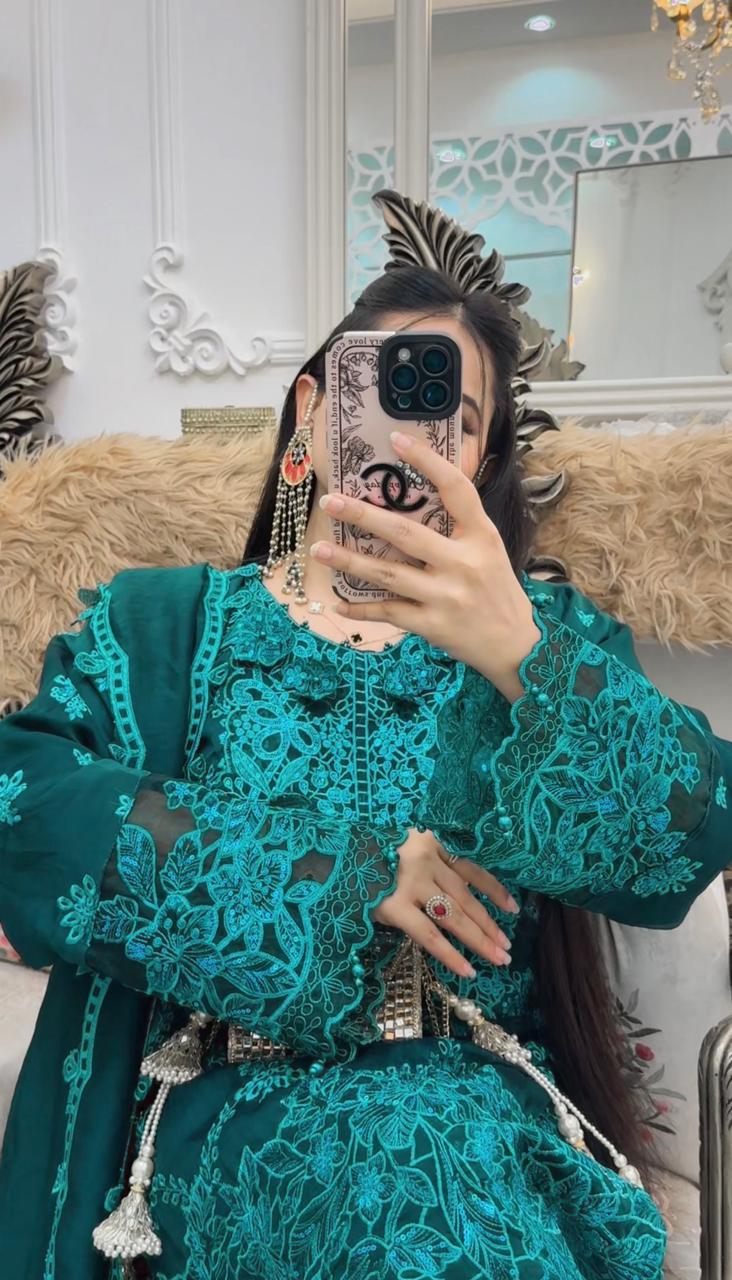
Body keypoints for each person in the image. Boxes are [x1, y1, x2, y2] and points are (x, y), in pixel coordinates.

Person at [1, 190, 731, 1280]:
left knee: (428, 1162)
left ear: (480, 457)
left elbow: (685, 836)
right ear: (310, 409)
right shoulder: (162, 624)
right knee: (377, 1168)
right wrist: (335, 876)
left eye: (455, 416)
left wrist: (521, 653)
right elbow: (22, 806)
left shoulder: (549, 638)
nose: (412, 430)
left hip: (478, 1115)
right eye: (382, 387)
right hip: (229, 1120)